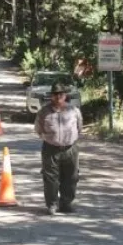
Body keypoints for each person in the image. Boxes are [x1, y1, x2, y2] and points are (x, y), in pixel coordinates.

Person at [34, 80, 83, 214]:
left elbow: (79, 128)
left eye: (61, 94)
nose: (58, 96)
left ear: (65, 95)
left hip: (70, 148)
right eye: (55, 94)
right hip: (50, 149)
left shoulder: (74, 111)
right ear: (51, 96)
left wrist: (70, 139)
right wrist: (50, 139)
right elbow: (38, 129)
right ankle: (52, 204)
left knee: (71, 177)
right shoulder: (44, 112)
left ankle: (66, 203)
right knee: (50, 178)